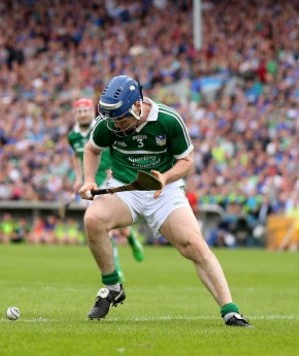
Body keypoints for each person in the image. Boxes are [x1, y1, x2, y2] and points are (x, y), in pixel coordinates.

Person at [78, 75, 252, 327]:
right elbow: (92, 150)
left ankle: (230, 311)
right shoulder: (107, 122)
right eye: (111, 119)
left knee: (193, 244)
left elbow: (187, 161)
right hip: (124, 188)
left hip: (164, 190)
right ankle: (113, 287)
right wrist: (89, 180)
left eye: (121, 118)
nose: (115, 125)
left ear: (137, 106)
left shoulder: (168, 120)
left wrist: (166, 177)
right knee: (93, 219)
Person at [67, 98, 144, 281]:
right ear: (75, 115)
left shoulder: (104, 126)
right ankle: (115, 269)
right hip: (91, 182)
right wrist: (79, 178)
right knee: (102, 227)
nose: (83, 114)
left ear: (91, 111)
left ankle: (131, 239)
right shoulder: (73, 136)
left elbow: (114, 146)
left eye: (86, 110)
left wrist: (115, 168)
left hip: (110, 177)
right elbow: (77, 157)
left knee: (121, 228)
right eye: (79, 111)